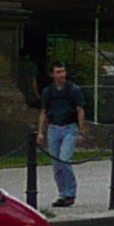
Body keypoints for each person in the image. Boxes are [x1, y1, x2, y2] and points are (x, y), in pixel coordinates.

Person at [38, 62, 88, 209]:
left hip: (69, 127)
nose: (61, 75)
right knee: (56, 164)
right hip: (54, 128)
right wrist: (41, 131)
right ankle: (62, 193)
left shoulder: (73, 90)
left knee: (64, 159)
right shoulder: (48, 92)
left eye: (63, 72)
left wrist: (81, 130)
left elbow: (80, 110)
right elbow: (44, 112)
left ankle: (70, 192)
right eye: (58, 72)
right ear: (52, 74)